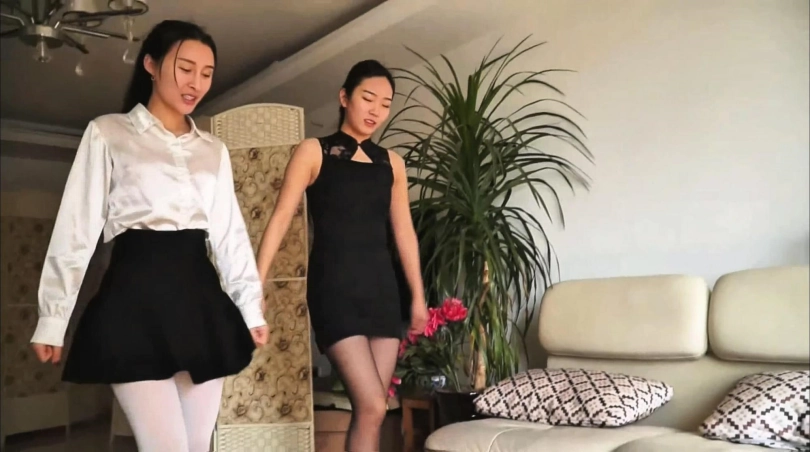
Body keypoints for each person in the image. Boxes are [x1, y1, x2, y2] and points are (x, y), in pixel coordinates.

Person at [29, 20, 269, 452]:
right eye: (185, 68)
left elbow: (229, 234)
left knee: (196, 446)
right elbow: (76, 229)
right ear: (151, 65)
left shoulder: (212, 150)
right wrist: (53, 317)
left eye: (207, 73)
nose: (196, 83)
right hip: (133, 300)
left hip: (199, 301)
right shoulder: (109, 132)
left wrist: (250, 307)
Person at [256, 59, 429, 451]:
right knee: (372, 404)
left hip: (382, 293)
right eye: (368, 98)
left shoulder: (392, 163)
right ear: (344, 97)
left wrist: (418, 296)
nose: (376, 110)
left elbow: (404, 232)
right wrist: (256, 282)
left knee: (373, 412)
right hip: (334, 291)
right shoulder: (313, 152)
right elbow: (281, 217)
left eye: (385, 104)